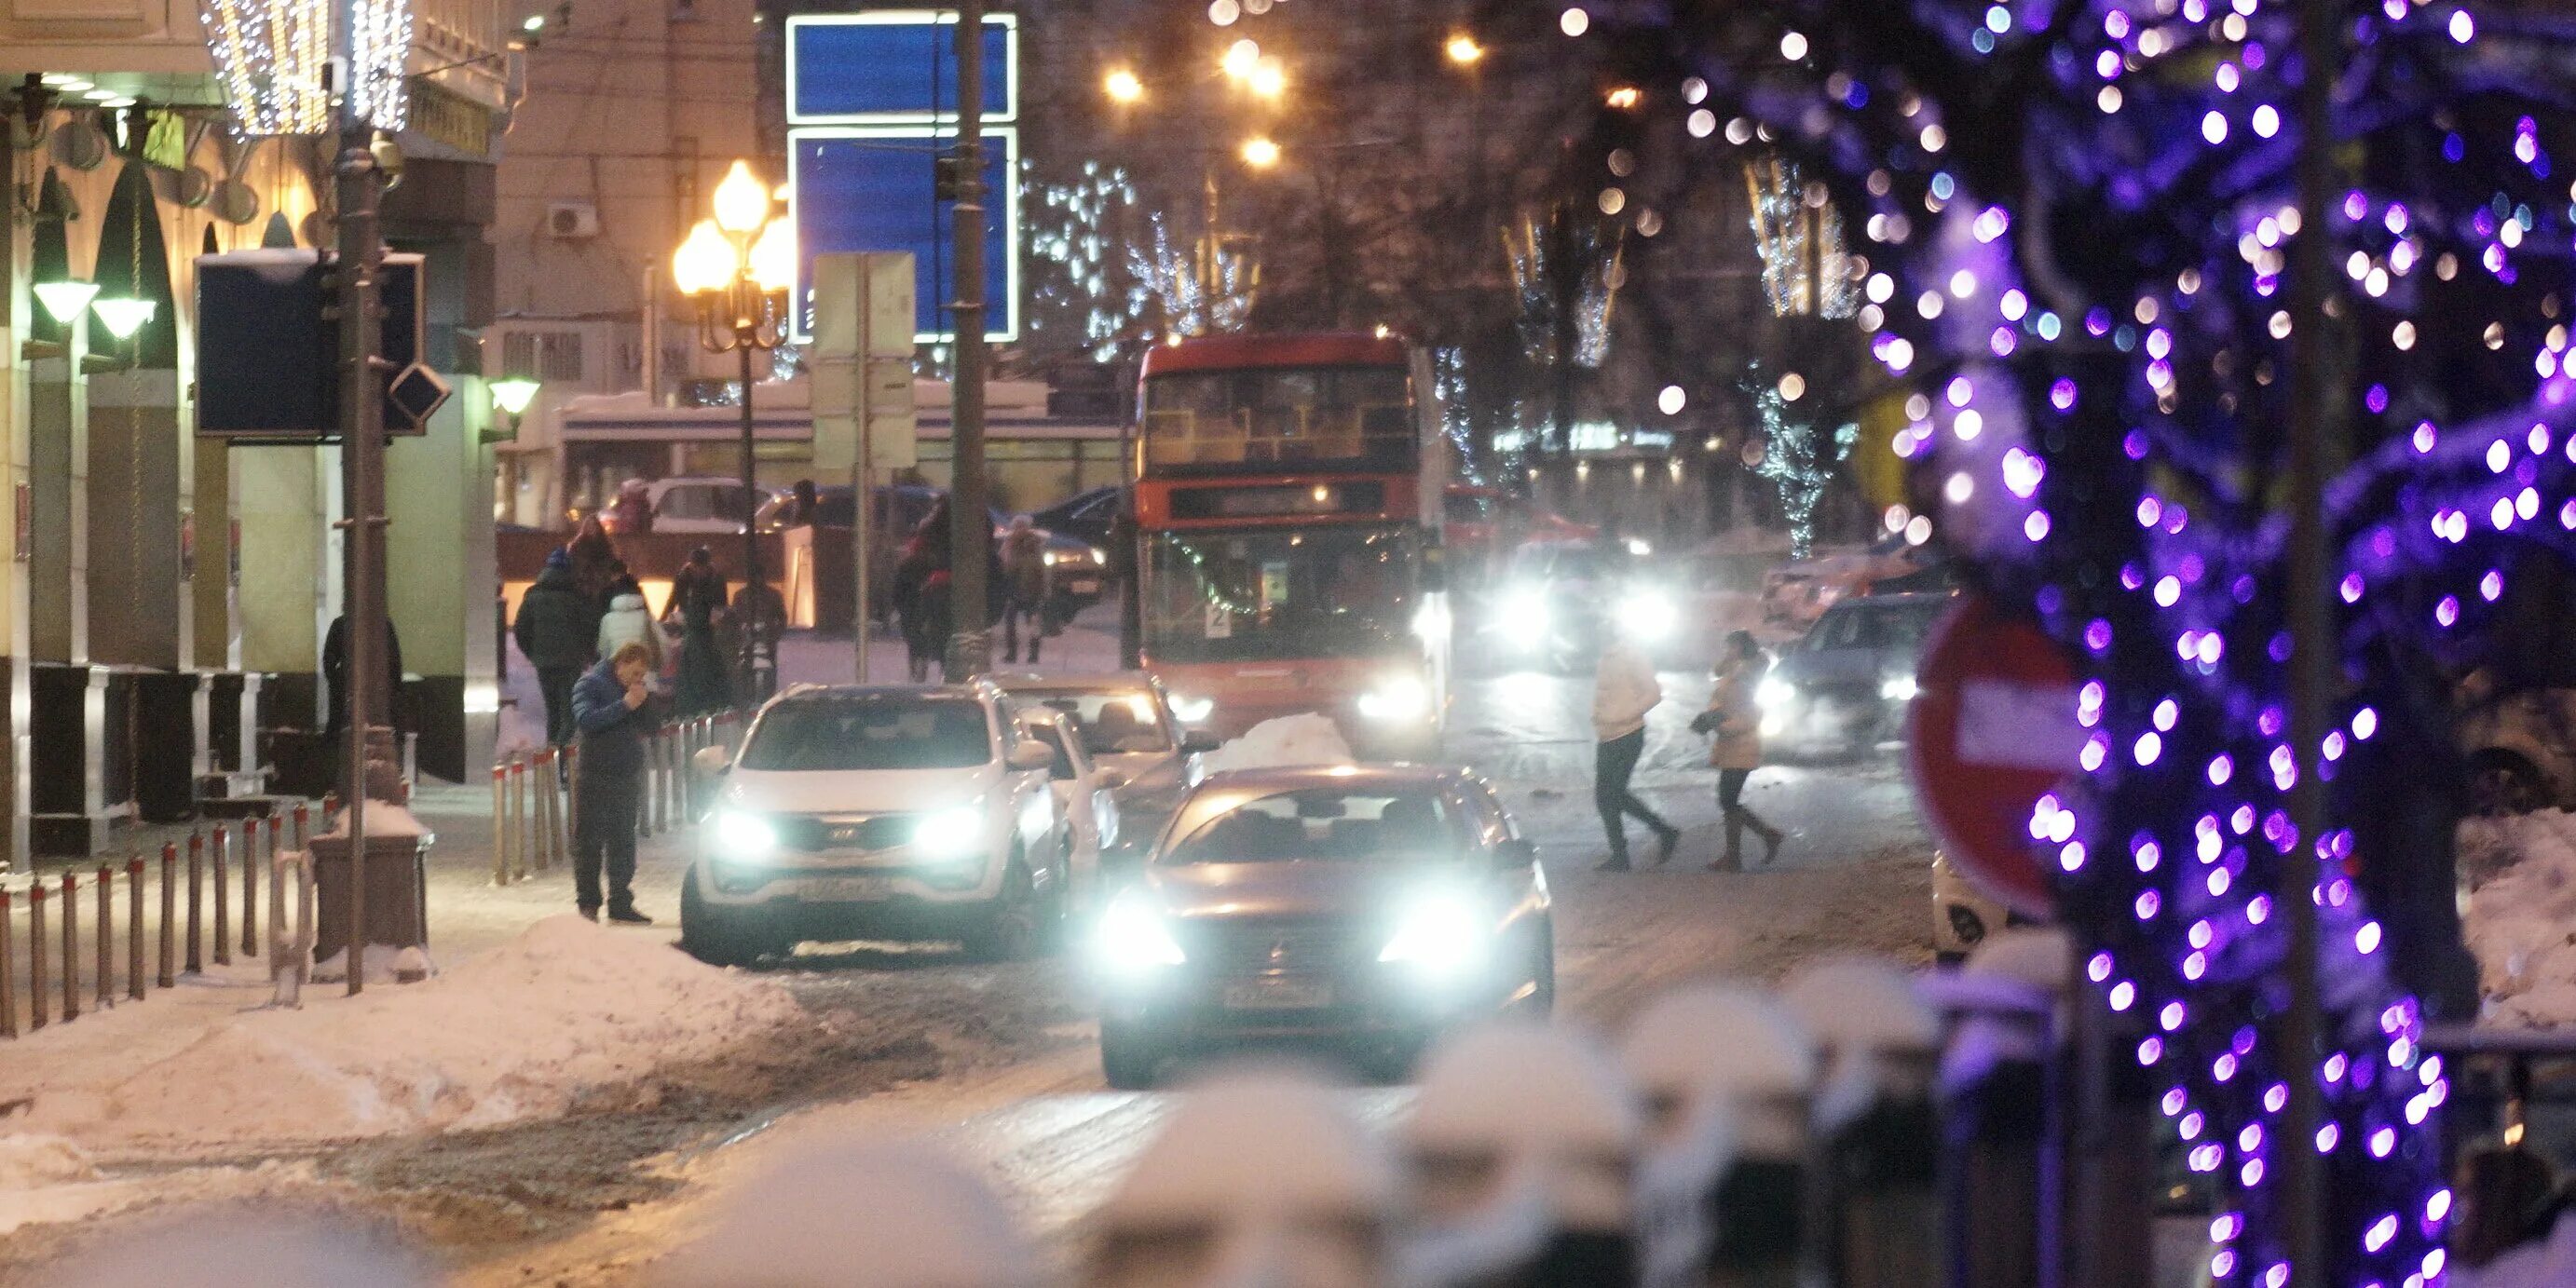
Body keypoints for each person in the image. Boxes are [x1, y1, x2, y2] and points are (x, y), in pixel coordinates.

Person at [570, 642, 658, 924]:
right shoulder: (589, 685)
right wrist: (624, 705)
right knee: (589, 842)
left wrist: (645, 704)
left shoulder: (634, 689)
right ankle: (588, 904)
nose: (637, 679)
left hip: (625, 774)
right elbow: (587, 720)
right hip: (595, 774)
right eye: (634, 673)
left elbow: (652, 727)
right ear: (621, 663)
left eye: (642, 675)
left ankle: (620, 901)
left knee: (623, 840)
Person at [1696, 630, 1785, 870]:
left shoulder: (1749, 674)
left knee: (1727, 799)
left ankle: (1760, 840)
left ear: (1743, 647)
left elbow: (1749, 714)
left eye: (1732, 647)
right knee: (1728, 800)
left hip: (1742, 744)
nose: (1728, 650)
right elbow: (1719, 688)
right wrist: (1712, 717)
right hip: (1730, 744)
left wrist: (1721, 724)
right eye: (1727, 647)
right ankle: (1737, 853)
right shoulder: (1734, 669)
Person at [1591, 634, 1680, 872]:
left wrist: (1624, 716)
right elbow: (1606, 696)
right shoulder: (1604, 659)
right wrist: (1600, 716)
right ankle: (1621, 854)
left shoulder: (1633, 656)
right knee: (1604, 798)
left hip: (1628, 734)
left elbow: (1653, 694)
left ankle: (1661, 833)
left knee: (1614, 794)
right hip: (1607, 735)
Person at [514, 548, 598, 747]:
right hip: (571, 663)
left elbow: (521, 630)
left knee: (552, 711)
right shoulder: (577, 598)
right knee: (569, 711)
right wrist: (585, 653)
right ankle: (562, 756)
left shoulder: (533, 596)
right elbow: (591, 628)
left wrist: (533, 653)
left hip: (544, 663)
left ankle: (551, 752)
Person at [665, 547, 733, 716]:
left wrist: (716, 619)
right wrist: (667, 616)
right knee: (696, 665)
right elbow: (674, 598)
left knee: (703, 664)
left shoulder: (716, 578)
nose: (698, 570)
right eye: (695, 566)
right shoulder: (684, 577)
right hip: (692, 626)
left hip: (707, 628)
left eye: (700, 567)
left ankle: (706, 703)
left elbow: (721, 603)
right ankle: (700, 703)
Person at [999, 514, 1051, 665]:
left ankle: (1032, 654)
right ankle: (1012, 653)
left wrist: (1044, 589)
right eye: (1016, 527)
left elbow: (1041, 569)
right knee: (1011, 623)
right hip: (1015, 589)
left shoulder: (1034, 545)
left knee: (1033, 624)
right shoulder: (1010, 545)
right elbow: (1006, 566)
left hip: (1031, 590)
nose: (1018, 530)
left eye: (1021, 526)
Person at [597, 578, 664, 676]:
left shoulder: (607, 619)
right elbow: (662, 643)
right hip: (641, 669)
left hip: (617, 671)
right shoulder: (646, 617)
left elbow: (603, 649)